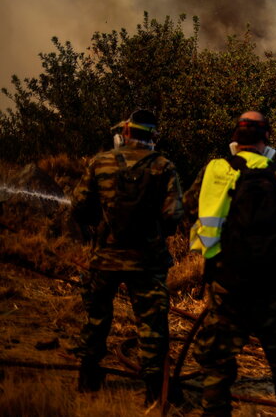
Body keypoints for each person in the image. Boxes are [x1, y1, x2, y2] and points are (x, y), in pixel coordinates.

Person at [185, 111, 276, 416]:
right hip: (274, 288)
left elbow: (189, 208)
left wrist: (213, 252)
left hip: (227, 284)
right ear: (266, 137)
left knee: (217, 360)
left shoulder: (214, 170)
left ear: (235, 138)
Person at [71, 109, 184, 404]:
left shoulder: (101, 161)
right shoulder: (163, 166)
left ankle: (87, 379)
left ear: (126, 132)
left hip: (105, 258)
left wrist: (100, 223)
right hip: (147, 261)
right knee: (152, 326)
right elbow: (173, 216)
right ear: (153, 136)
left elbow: (80, 207)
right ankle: (153, 393)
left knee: (97, 319)